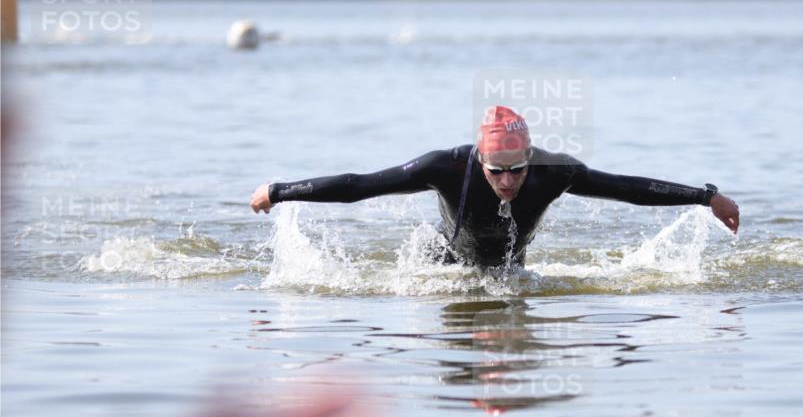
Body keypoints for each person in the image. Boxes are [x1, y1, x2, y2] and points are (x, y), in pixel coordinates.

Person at [250, 106, 740, 268]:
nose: (507, 182)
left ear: (529, 159)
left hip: (511, 270)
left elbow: (627, 188)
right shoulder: (444, 167)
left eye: (516, 171)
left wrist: (705, 195)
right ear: (479, 160)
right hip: (442, 265)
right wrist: (281, 189)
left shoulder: (555, 171)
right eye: (496, 172)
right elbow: (360, 185)